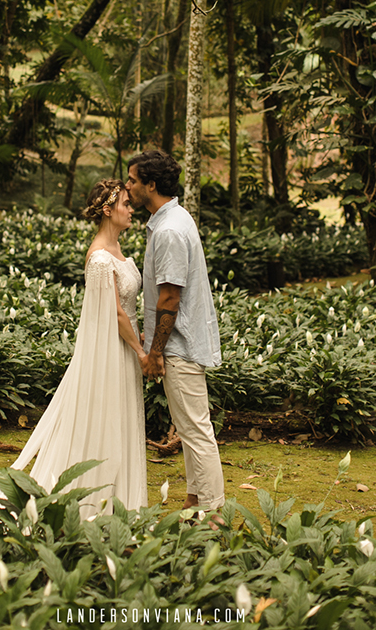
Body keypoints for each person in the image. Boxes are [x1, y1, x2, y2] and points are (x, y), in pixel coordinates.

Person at [0, 179, 147, 516]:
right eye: (126, 204)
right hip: (109, 354)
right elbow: (113, 312)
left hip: (125, 351)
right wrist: (141, 352)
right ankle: (89, 501)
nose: (131, 210)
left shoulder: (118, 253)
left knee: (123, 421)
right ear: (107, 209)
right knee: (105, 421)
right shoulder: (99, 258)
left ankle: (122, 500)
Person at [125, 150, 225, 517]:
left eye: (133, 180)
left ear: (151, 185)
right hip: (184, 342)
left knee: (197, 434)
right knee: (192, 429)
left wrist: (155, 351)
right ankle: (194, 501)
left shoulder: (168, 231)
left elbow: (170, 297)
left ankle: (213, 514)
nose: (128, 186)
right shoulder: (175, 219)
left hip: (179, 346)